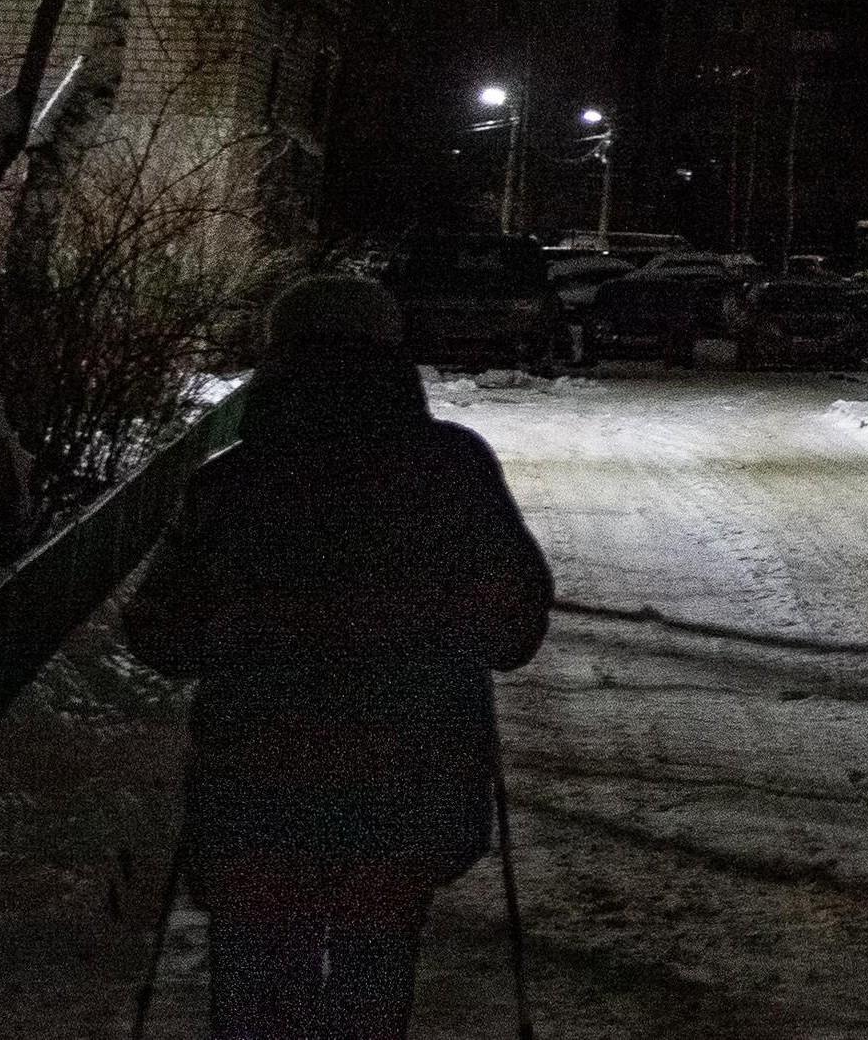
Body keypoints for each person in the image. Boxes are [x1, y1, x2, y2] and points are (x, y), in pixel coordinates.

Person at [121, 270, 552, 1038]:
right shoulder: (452, 470)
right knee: (373, 969)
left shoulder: (231, 483)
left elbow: (162, 634)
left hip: (258, 782)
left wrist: (250, 633)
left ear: (276, 358)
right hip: (406, 779)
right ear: (391, 355)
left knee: (258, 978)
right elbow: (513, 628)